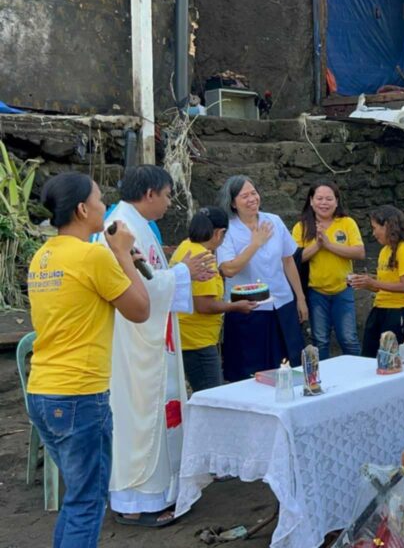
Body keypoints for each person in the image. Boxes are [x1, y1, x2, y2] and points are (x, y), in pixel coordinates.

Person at [26, 173, 150, 547]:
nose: (103, 206)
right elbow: (140, 310)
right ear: (82, 209)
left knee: (78, 498)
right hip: (80, 395)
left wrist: (121, 262)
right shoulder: (93, 255)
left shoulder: (42, 256)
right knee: (88, 502)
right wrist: (123, 255)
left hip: (42, 391)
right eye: (98, 199)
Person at [100, 166, 216, 526]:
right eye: (166, 195)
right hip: (135, 344)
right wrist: (183, 273)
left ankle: (160, 493)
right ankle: (135, 502)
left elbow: (149, 277)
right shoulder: (121, 227)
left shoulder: (137, 224)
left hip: (150, 340)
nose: (169, 203)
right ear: (149, 193)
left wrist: (179, 272)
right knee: (139, 418)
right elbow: (139, 288)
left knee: (157, 414)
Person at [217, 175, 307, 381]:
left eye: (254, 193)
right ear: (233, 203)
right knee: (251, 370)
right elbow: (228, 269)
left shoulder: (273, 220)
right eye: (244, 196)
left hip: (282, 303)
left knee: (289, 366)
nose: (252, 199)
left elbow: (288, 260)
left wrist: (300, 298)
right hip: (248, 309)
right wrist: (255, 243)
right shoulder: (227, 229)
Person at [170, 207, 258, 392]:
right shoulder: (203, 258)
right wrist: (236, 306)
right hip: (198, 342)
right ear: (219, 233)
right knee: (211, 395)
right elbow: (204, 305)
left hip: (184, 335)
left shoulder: (186, 246)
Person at [293, 181, 365, 358]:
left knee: (349, 339)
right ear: (311, 201)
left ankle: (358, 372)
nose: (324, 203)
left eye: (329, 199)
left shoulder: (347, 223)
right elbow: (296, 259)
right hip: (316, 292)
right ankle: (321, 374)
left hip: (343, 290)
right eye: (319, 198)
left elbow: (359, 252)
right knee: (320, 340)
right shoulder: (301, 227)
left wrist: (329, 245)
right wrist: (318, 245)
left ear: (336, 201)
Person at [351, 205, 404, 357]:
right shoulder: (384, 251)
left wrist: (374, 283)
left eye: (375, 228)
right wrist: (365, 282)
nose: (373, 233)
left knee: (391, 359)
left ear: (387, 226)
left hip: (398, 311)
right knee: (368, 356)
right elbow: (381, 285)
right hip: (379, 309)